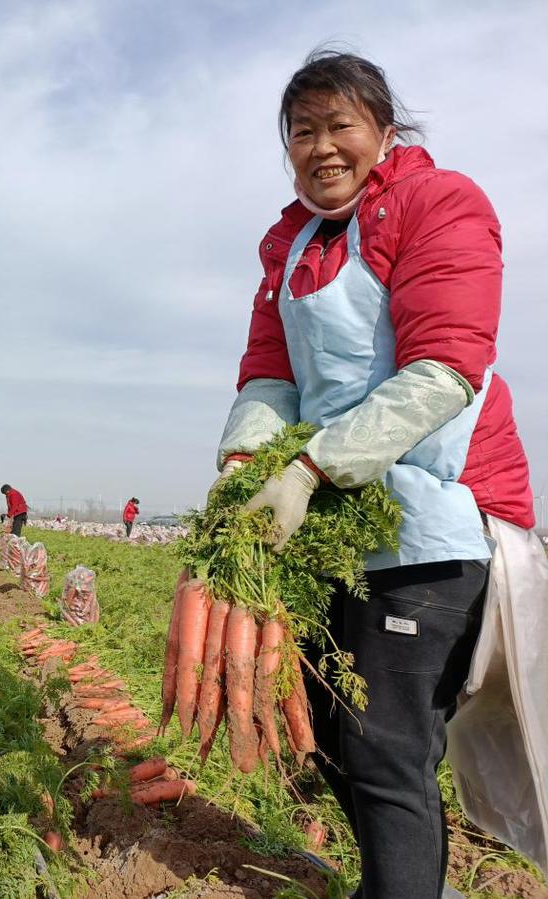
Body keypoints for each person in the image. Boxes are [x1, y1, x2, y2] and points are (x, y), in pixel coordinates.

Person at [214, 51, 534, 899]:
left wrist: (314, 466)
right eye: (301, 132)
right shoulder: (287, 247)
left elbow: (444, 369)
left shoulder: (439, 204)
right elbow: (268, 375)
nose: (320, 148)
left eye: (338, 126)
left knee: (386, 746)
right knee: (328, 730)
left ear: (383, 132)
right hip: (332, 529)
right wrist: (245, 465)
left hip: (433, 521)